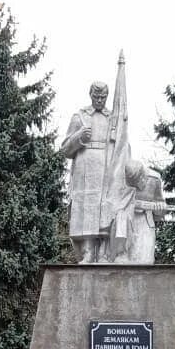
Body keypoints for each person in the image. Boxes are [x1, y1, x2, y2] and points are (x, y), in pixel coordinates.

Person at [61, 81, 110, 263]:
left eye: (103, 97)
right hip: (84, 166)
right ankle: (88, 251)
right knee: (86, 208)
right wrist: (79, 137)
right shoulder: (79, 116)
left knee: (105, 207)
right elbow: (65, 149)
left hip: (106, 166)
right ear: (90, 95)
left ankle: (106, 252)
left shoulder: (112, 117)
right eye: (96, 97)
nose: (99, 100)